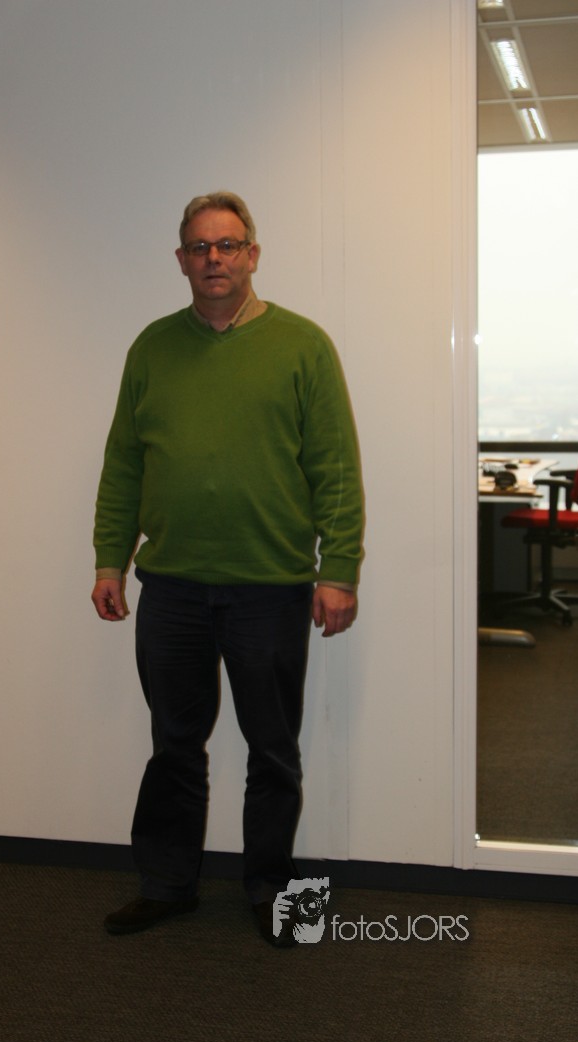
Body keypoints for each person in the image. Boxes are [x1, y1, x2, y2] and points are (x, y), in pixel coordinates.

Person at [92, 191, 364, 947]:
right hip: (172, 587)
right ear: (181, 260)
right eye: (199, 247)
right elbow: (122, 464)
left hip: (269, 587)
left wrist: (338, 569)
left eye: (228, 245)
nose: (214, 258)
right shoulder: (151, 348)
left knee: (272, 750)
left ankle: (273, 894)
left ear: (252, 254)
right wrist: (109, 558)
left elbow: (336, 469)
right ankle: (166, 885)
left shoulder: (303, 346)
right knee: (174, 744)